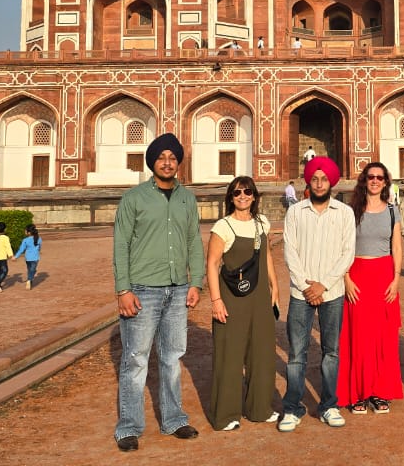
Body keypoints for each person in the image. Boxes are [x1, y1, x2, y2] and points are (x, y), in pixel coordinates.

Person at [112, 133, 204, 450]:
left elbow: (194, 241)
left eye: (172, 158)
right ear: (152, 162)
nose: (167, 163)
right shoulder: (134, 198)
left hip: (177, 289)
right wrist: (123, 289)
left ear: (179, 163)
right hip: (142, 288)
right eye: (162, 157)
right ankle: (129, 426)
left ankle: (173, 419)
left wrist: (196, 282)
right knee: (136, 359)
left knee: (172, 357)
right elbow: (121, 244)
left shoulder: (187, 199)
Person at [279, 156, 355, 432]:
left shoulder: (344, 212)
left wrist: (323, 285)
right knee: (296, 354)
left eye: (324, 179)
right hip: (301, 293)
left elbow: (347, 253)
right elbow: (290, 251)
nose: (320, 183)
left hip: (332, 292)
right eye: (315, 179)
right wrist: (306, 286)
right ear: (308, 183)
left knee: (331, 351)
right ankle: (292, 408)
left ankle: (329, 405)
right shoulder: (296, 212)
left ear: (331, 182)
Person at [206, 177, 280, 431]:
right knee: (230, 353)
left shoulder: (262, 223)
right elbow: (212, 264)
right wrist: (216, 300)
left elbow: (266, 255)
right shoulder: (223, 226)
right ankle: (226, 414)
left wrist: (275, 285)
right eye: (237, 192)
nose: (243, 196)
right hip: (231, 298)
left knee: (262, 352)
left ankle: (260, 408)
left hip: (259, 297)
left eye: (248, 191)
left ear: (254, 196)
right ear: (230, 197)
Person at [338, 161, 404, 415]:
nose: (375, 181)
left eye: (380, 177)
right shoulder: (351, 211)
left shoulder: (392, 211)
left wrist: (396, 279)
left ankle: (379, 391)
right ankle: (358, 392)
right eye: (371, 177)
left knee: (383, 337)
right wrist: (346, 277)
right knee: (358, 336)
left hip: (384, 276)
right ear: (364, 180)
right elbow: (342, 245)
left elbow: (396, 246)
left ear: (386, 182)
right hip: (357, 275)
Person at [13, 225, 42, 289]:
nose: (24, 231)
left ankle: (29, 280)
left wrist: (16, 256)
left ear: (29, 232)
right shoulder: (38, 239)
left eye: (25, 230)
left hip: (28, 258)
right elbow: (40, 247)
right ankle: (30, 280)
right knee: (32, 270)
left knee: (30, 270)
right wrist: (38, 251)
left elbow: (21, 250)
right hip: (34, 258)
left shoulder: (25, 240)